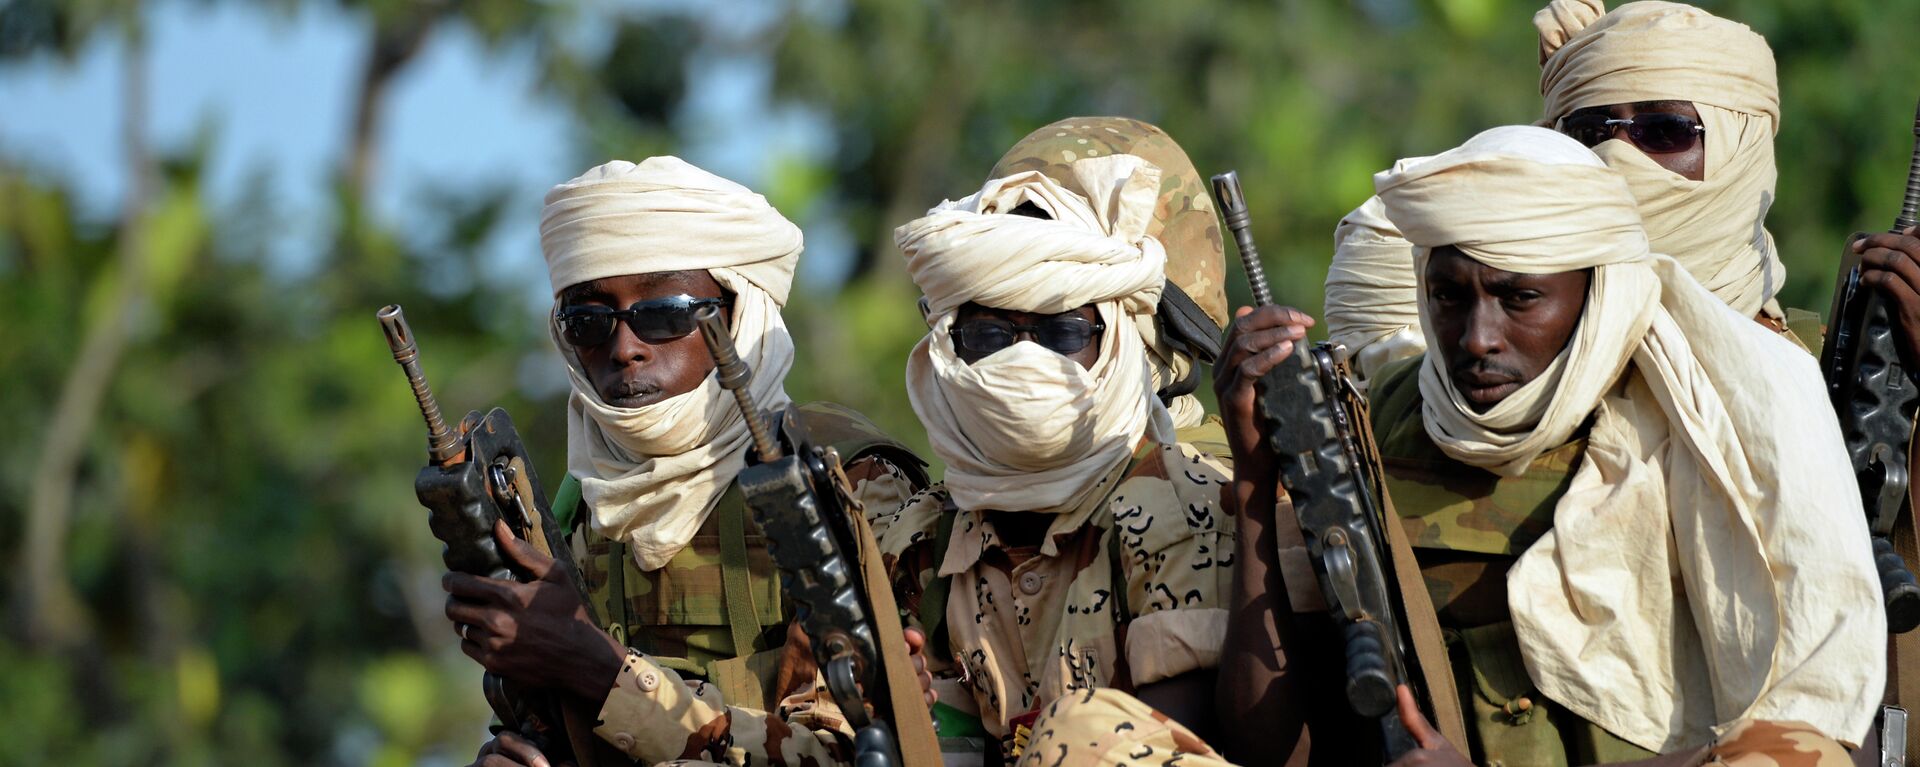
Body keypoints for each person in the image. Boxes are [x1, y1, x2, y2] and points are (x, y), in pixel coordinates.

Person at [1019, 127, 1886, 767]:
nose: (1475, 336)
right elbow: (1268, 742)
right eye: (1449, 295)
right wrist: (1254, 484)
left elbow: (1809, 721)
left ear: (1596, 291)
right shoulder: (1378, 420)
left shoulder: (1703, 415)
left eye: (1520, 300)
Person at [443, 157, 932, 767]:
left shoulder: (840, 479)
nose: (625, 349)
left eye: (665, 314)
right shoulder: (582, 502)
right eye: (589, 322)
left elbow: (852, 749)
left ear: (739, 312)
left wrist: (600, 674)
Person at [875, 121, 1237, 766]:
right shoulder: (927, 536)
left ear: (1140, 336)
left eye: (1064, 331)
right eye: (987, 335)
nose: (1021, 362)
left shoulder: (1190, 499)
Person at [1326, 0, 1817, 387]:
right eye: (1588, 132)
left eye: (1666, 130)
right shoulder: (1472, 340)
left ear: (1743, 153)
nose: (1617, 154)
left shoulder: (1812, 375)